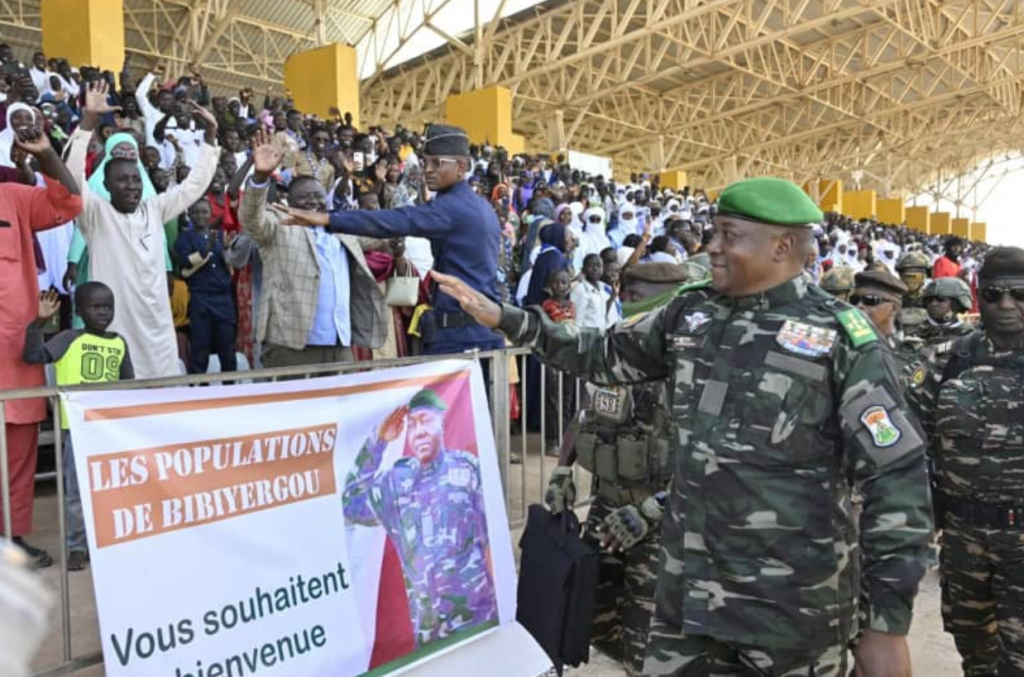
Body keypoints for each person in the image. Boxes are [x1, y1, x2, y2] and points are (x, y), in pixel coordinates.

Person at [434, 176, 932, 676]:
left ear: (782, 246)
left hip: (790, 614)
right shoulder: (692, 313)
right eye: (713, 233)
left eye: (728, 235)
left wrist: (885, 626)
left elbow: (897, 481)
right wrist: (507, 318)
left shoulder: (842, 339)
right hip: (686, 603)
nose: (711, 246)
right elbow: (604, 354)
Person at [545, 261, 696, 676]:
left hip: (662, 523)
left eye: (636, 295)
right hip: (607, 511)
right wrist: (562, 472)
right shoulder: (616, 347)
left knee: (649, 639)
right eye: (625, 293)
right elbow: (585, 413)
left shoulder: (692, 362)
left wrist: (653, 509)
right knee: (596, 619)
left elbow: (712, 457)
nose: (626, 301)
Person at [272, 124, 504, 356]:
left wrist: (327, 218)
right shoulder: (480, 206)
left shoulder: (453, 207)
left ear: (462, 167)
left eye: (437, 163)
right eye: (425, 162)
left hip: (460, 336)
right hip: (479, 330)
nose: (427, 170)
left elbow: (396, 220)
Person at [908, 247, 1024, 676]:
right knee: (973, 647)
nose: (1006, 304)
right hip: (962, 538)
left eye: (1019, 294)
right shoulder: (948, 360)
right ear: (978, 295)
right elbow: (910, 440)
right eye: (994, 294)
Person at [66, 82, 219, 379]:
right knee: (119, 395)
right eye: (122, 180)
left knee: (162, 394)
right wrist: (89, 120)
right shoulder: (96, 215)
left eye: (136, 179)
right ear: (106, 185)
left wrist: (211, 136)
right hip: (114, 328)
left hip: (156, 329)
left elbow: (193, 186)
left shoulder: (154, 209)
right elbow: (72, 176)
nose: (132, 186)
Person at [343, 389, 498, 648]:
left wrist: (505, 609)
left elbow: (492, 541)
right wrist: (378, 441)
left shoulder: (467, 469)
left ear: (442, 423)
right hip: (428, 638)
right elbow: (350, 503)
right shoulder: (396, 483)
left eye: (426, 420)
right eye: (412, 424)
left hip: (478, 622)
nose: (419, 431)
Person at [0, 123, 83, 568]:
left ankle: (11, 541)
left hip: (16, 360)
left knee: (17, 458)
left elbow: (68, 202)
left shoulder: (12, 196)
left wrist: (47, 153)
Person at [240, 127, 385, 368]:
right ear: (290, 201)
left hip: (340, 343)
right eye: (304, 197)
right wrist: (260, 178)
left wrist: (397, 237)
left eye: (318, 196)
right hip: (291, 346)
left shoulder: (339, 227)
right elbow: (251, 220)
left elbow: (378, 235)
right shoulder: (278, 224)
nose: (312, 201)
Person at [22, 284, 134, 571]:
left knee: (108, 490)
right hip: (76, 431)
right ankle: (76, 546)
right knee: (76, 493)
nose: (103, 312)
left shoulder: (120, 343)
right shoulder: (69, 338)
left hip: (108, 430)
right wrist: (38, 323)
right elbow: (33, 356)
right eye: (96, 307)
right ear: (80, 310)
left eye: (108, 307)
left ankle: (104, 542)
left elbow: (128, 387)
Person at [174, 200, 249, 374]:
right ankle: (198, 387)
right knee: (200, 348)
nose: (200, 216)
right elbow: (184, 261)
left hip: (224, 299)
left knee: (227, 348)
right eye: (195, 212)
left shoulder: (221, 236)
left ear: (210, 214)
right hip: (200, 299)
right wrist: (205, 250)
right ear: (189, 215)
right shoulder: (185, 237)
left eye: (204, 212)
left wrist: (228, 247)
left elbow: (232, 262)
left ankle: (230, 385)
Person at [852, 269, 924, 377]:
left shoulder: (908, 354)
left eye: (870, 300)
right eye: (854, 299)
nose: (859, 306)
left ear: (894, 308)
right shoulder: (843, 343)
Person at [915, 277, 975, 346]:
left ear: (956, 304)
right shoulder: (917, 332)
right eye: (929, 300)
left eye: (941, 299)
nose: (933, 304)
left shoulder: (969, 334)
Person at [895, 250, 931, 335]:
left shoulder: (932, 300)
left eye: (915, 276)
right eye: (907, 276)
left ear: (924, 277)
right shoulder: (893, 299)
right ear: (900, 276)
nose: (911, 280)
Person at [571, 253, 609, 330]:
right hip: (587, 334)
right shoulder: (580, 290)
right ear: (583, 270)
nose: (595, 269)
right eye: (591, 266)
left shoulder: (602, 287)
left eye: (599, 266)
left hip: (601, 332)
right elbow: (577, 319)